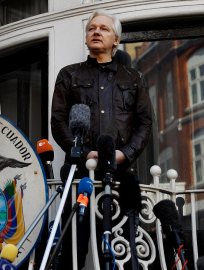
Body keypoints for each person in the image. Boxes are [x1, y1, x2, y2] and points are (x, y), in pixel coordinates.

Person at [50, 9, 153, 269]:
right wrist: (84, 153)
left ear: (116, 40)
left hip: (121, 173)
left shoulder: (134, 78)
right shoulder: (68, 75)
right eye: (91, 28)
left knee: (125, 250)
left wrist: (125, 154)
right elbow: (58, 122)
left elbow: (145, 123)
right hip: (79, 174)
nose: (96, 32)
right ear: (86, 38)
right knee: (72, 250)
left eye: (104, 29)